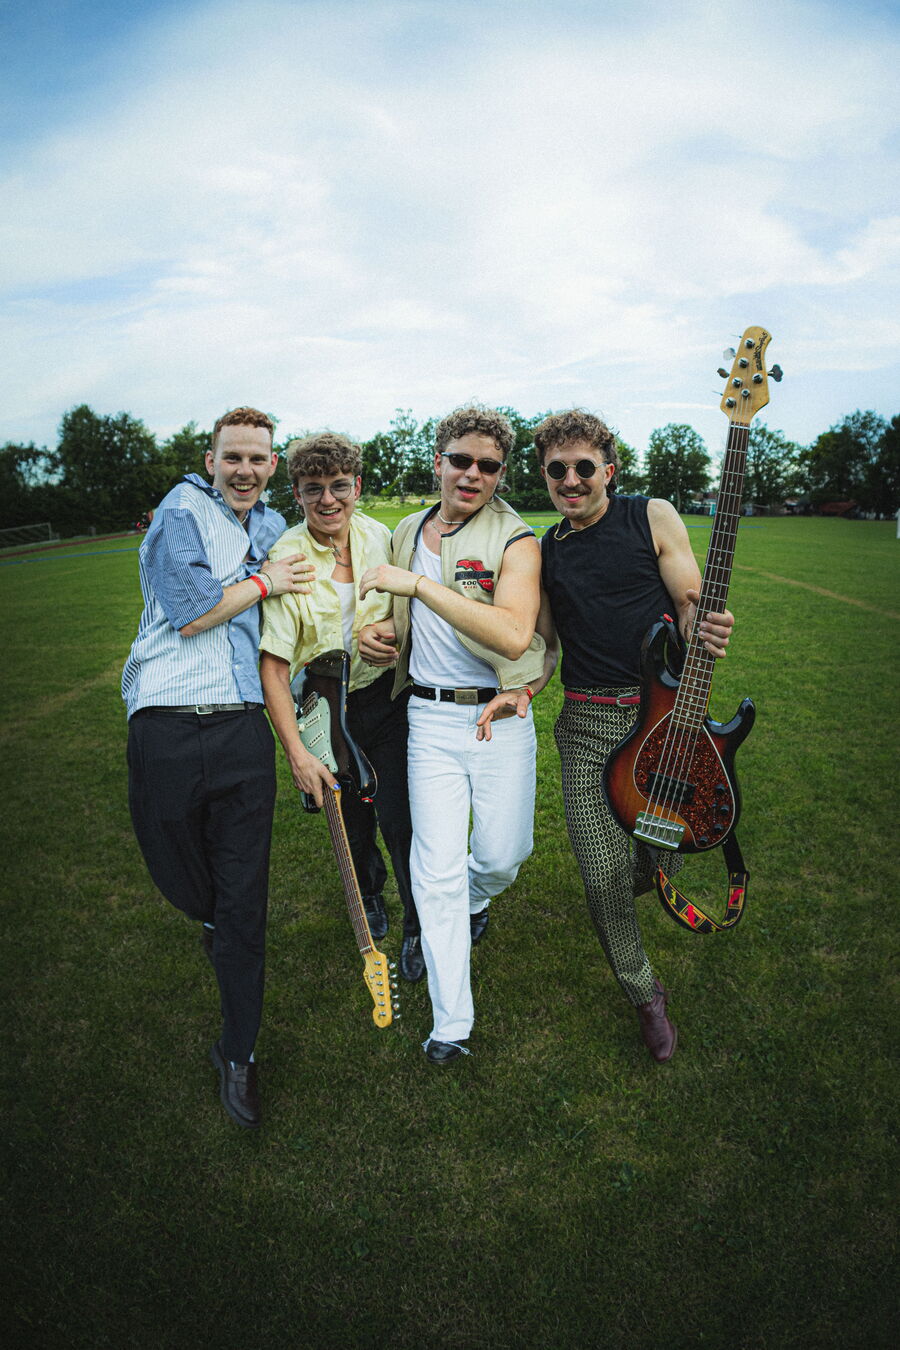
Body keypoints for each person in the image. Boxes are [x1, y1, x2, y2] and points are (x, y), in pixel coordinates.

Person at [478, 409, 734, 1063]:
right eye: (557, 470)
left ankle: (647, 871)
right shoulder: (546, 551)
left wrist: (704, 620)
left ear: (608, 471)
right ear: (543, 476)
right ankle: (645, 992)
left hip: (664, 719)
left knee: (662, 855)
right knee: (600, 875)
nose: (571, 479)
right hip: (588, 725)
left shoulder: (651, 515)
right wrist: (523, 687)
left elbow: (687, 598)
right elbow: (545, 645)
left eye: (583, 467)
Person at [122, 406, 314, 1127]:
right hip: (165, 723)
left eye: (258, 459)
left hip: (239, 727)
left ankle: (239, 1051)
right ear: (210, 460)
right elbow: (195, 610)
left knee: (244, 903)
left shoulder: (268, 526)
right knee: (179, 874)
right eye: (233, 457)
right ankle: (211, 919)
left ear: (272, 464)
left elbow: (310, 584)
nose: (245, 470)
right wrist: (266, 583)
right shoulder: (181, 512)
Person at [358, 405, 546, 1064]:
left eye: (488, 466)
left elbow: (516, 635)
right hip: (427, 720)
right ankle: (450, 1026)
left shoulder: (517, 540)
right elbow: (383, 614)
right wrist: (375, 633)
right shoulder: (408, 528)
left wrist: (420, 585)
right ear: (437, 461)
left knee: (501, 855)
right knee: (432, 871)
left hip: (498, 718)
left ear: (500, 475)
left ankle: (469, 900)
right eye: (460, 460)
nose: (472, 474)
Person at [259, 433, 421, 977]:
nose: (329, 500)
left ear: (357, 486)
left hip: (387, 699)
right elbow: (275, 667)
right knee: (352, 817)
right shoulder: (286, 555)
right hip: (326, 707)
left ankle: (419, 923)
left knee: (402, 816)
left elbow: (410, 607)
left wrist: (387, 629)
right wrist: (297, 754)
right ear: (297, 494)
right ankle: (370, 894)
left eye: (339, 486)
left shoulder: (381, 536)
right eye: (313, 489)